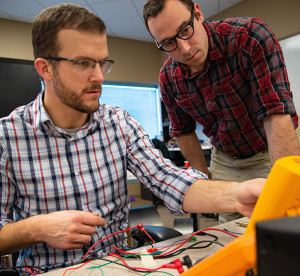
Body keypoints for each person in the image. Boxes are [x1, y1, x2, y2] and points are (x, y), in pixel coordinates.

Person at [0, 3, 265, 274]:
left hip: (117, 267)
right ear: (45, 68)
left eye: (102, 62)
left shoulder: (119, 124)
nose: (99, 77)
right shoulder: (7, 138)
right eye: (83, 63)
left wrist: (236, 194)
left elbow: (168, 179)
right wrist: (37, 228)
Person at [143, 0, 299, 223]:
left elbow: (276, 112)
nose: (184, 49)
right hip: (224, 158)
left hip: (268, 149)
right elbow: (183, 131)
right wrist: (203, 183)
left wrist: (286, 186)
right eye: (169, 43)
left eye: (185, 30)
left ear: (197, 13)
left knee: (280, 222)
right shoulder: (168, 78)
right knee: (230, 229)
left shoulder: (249, 37)